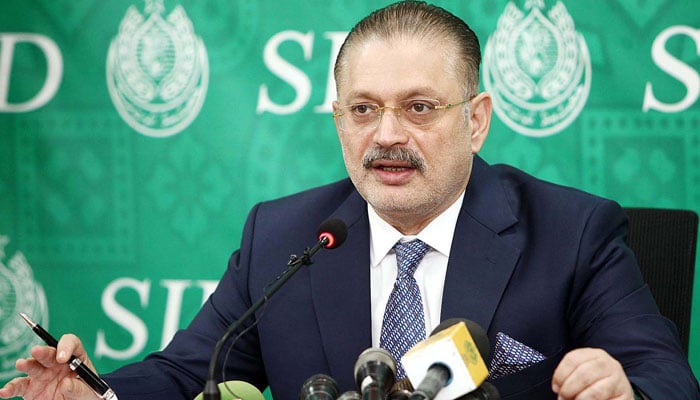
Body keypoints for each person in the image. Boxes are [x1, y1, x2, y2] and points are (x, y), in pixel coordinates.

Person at [1, 1, 699, 399]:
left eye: (419, 107)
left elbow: (667, 376)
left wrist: (623, 390)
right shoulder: (285, 235)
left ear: (477, 118)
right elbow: (190, 372)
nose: (387, 135)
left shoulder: (571, 231)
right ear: (338, 119)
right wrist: (99, 394)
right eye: (363, 109)